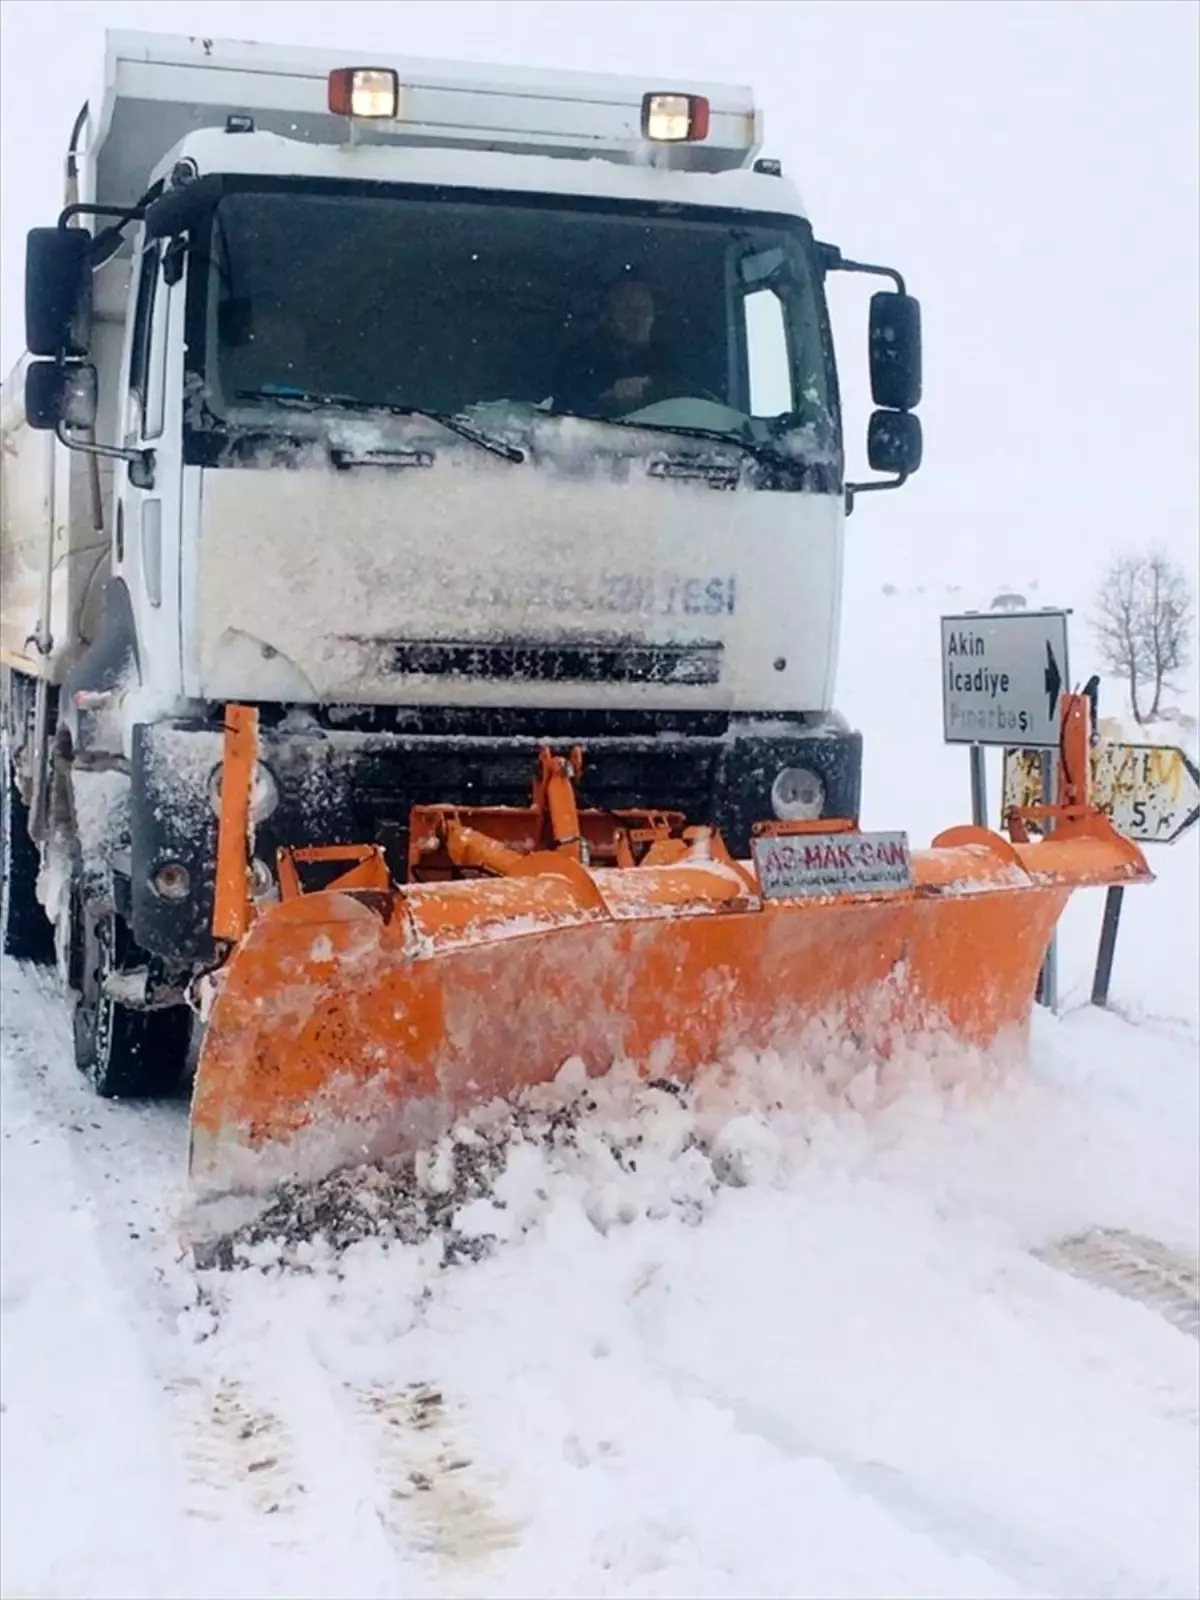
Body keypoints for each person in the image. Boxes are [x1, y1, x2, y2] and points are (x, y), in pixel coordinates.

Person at [552, 277, 670, 418]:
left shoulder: (667, 361)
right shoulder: (577, 360)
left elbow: (690, 400)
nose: (637, 318)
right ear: (606, 316)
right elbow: (562, 415)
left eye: (644, 309)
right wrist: (608, 399)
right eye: (627, 309)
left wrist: (651, 387)